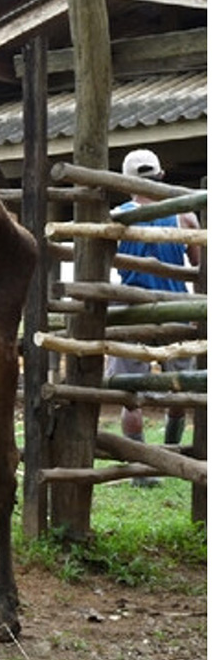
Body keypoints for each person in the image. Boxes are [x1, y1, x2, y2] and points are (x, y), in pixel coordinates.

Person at [108, 148, 201, 487]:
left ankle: (140, 471)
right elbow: (197, 266)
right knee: (181, 391)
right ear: (161, 176)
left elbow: (106, 265)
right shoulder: (185, 217)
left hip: (130, 311)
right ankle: (171, 455)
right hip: (178, 311)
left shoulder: (116, 217)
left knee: (129, 392)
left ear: (126, 182)